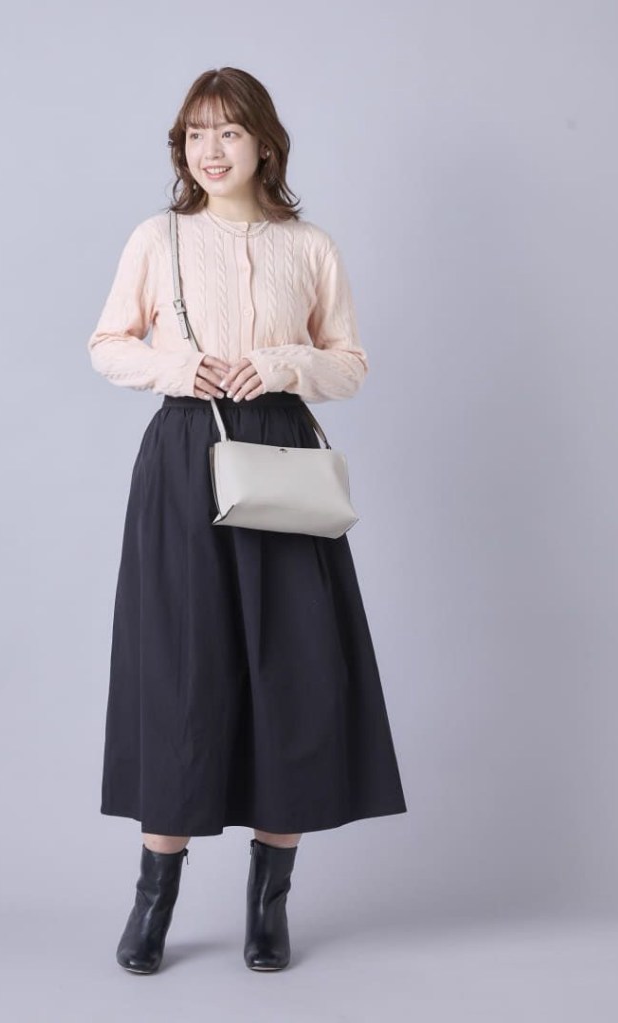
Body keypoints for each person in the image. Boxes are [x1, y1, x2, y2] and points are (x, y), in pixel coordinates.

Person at [86, 67, 407, 974]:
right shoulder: (158, 237)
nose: (211, 150)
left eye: (228, 131)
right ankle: (154, 899)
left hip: (282, 458)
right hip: (185, 456)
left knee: (290, 669)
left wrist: (280, 364)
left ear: (265, 142)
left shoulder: (309, 246)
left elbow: (349, 363)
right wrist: (177, 369)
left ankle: (269, 905)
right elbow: (106, 344)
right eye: (195, 134)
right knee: (181, 672)